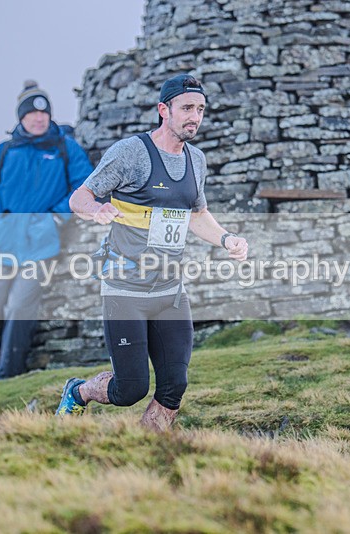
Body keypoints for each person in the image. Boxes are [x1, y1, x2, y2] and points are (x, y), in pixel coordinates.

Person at [55, 74, 249, 431]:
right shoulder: (131, 153)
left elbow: (197, 215)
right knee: (130, 389)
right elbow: (79, 197)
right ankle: (79, 392)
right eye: (187, 108)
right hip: (125, 290)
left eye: (200, 109)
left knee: (175, 386)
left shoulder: (196, 160)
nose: (195, 117)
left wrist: (226, 239)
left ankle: (145, 452)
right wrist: (97, 210)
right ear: (164, 110)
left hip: (170, 292)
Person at [0, 80, 92, 385]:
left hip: (40, 244)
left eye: (44, 113)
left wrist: (55, 219)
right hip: (0, 243)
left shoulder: (65, 148)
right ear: (21, 117)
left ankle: (7, 378)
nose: (39, 118)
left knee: (20, 307)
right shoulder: (5, 150)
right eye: (32, 113)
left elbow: (85, 185)